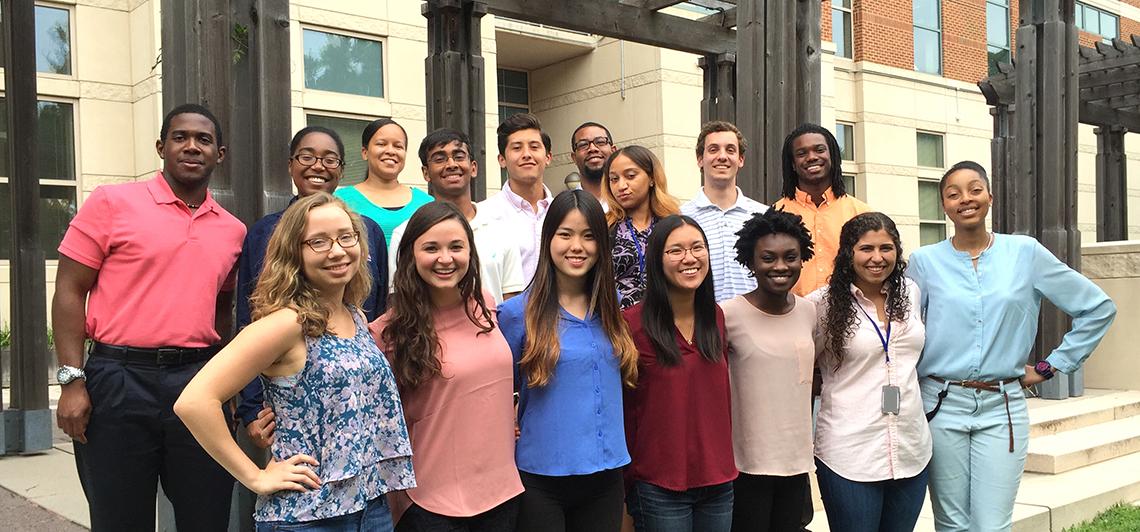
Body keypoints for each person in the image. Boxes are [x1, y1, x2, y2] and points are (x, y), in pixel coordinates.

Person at [52, 104, 243, 531]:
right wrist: (71, 380)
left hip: (196, 382)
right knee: (120, 519)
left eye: (204, 139)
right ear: (161, 146)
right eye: (180, 137)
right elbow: (69, 290)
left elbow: (222, 308)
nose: (192, 146)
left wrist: (224, 383)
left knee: (207, 516)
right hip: (118, 380)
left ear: (220, 154)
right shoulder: (111, 203)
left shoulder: (233, 230)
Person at [175, 193, 415, 531]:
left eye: (346, 237)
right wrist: (255, 476)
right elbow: (195, 402)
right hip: (306, 516)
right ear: (294, 254)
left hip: (369, 507)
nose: (337, 250)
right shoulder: (287, 324)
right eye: (318, 242)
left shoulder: (354, 315)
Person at [908, 161, 1116, 532]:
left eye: (974, 189)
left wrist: (1051, 367)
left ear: (990, 196)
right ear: (943, 206)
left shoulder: (1025, 253)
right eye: (953, 194)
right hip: (939, 403)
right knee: (951, 524)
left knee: (992, 525)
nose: (965, 199)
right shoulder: (924, 262)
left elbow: (1097, 308)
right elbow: (904, 330)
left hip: (1001, 405)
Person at [373, 201, 524, 531]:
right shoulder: (387, 332)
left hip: (502, 493)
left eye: (456, 246)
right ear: (410, 255)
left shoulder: (484, 303)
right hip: (430, 503)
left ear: (470, 252)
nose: (445, 258)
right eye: (431, 248)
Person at [235, 126, 389, 441]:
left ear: (342, 171)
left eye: (330, 159)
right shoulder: (265, 232)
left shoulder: (367, 232)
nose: (318, 166)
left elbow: (379, 315)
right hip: (285, 406)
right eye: (307, 156)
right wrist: (251, 409)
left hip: (353, 400)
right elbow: (247, 322)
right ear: (291, 165)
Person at [498, 190, 639, 532]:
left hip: (605, 477)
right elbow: (501, 396)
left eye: (589, 236)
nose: (577, 246)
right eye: (565, 234)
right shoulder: (518, 315)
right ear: (548, 240)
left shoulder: (612, 308)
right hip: (541, 480)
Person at [808, 212, 930, 532]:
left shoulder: (910, 292)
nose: (877, 258)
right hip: (849, 454)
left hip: (911, 448)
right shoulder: (822, 305)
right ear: (849, 253)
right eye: (866, 249)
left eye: (886, 248)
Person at [622, 215, 736, 532]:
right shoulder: (630, 325)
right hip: (658, 484)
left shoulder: (716, 318)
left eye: (697, 247)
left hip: (718, 479)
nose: (689, 258)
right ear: (657, 260)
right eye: (676, 251)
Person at [719, 209, 816, 532]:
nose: (780, 267)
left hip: (796, 462)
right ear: (751, 261)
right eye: (768, 258)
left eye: (790, 257)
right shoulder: (728, 315)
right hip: (746, 465)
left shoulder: (809, 312)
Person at [387, 128, 525, 303]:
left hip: (492, 329)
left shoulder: (502, 229)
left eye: (459, 156)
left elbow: (512, 303)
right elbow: (398, 300)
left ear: (473, 167)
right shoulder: (407, 232)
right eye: (439, 159)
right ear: (426, 173)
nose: (451, 164)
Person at [774, 123, 870, 297]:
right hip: (792, 315)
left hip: (850, 315)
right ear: (793, 164)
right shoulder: (776, 214)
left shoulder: (861, 213)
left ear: (832, 156)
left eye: (819, 150)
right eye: (801, 153)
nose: (811, 157)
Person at [681, 121, 769, 302]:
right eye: (713, 149)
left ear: (741, 159)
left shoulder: (764, 216)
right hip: (702, 324)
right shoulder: (681, 217)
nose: (722, 156)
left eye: (730, 150)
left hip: (754, 323)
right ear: (700, 159)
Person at [601, 146, 681, 309]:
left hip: (667, 321)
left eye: (630, 176)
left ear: (652, 178)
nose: (621, 186)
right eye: (614, 179)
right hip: (618, 325)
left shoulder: (674, 225)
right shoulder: (604, 227)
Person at [480, 113, 555, 284]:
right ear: (502, 160)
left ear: (548, 157)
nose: (526, 154)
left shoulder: (564, 213)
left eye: (534, 147)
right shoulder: (484, 215)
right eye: (517, 148)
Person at [336, 118, 432, 247]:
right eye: (381, 144)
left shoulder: (426, 203)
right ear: (365, 153)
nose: (390, 151)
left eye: (398, 146)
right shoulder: (340, 200)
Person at [570, 121, 616, 203]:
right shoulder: (566, 207)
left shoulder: (629, 200)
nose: (592, 149)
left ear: (613, 151)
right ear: (574, 158)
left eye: (600, 142)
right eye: (583, 144)